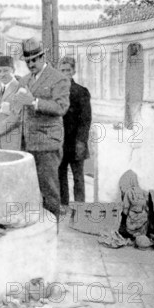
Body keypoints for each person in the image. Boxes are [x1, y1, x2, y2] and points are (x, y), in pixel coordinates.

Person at [12, 37, 70, 219]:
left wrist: (35, 102)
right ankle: (38, 235)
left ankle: (52, 236)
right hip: (28, 144)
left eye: (35, 59)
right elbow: (19, 110)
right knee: (30, 192)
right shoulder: (24, 80)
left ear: (43, 56)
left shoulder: (58, 78)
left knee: (49, 192)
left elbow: (61, 107)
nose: (31, 64)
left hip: (47, 145)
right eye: (28, 61)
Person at [58, 56, 91, 208]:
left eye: (68, 70)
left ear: (74, 71)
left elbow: (85, 120)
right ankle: (63, 206)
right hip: (60, 142)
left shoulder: (81, 92)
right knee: (61, 176)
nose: (65, 73)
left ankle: (80, 209)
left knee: (78, 177)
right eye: (62, 70)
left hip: (76, 142)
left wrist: (81, 142)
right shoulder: (55, 92)